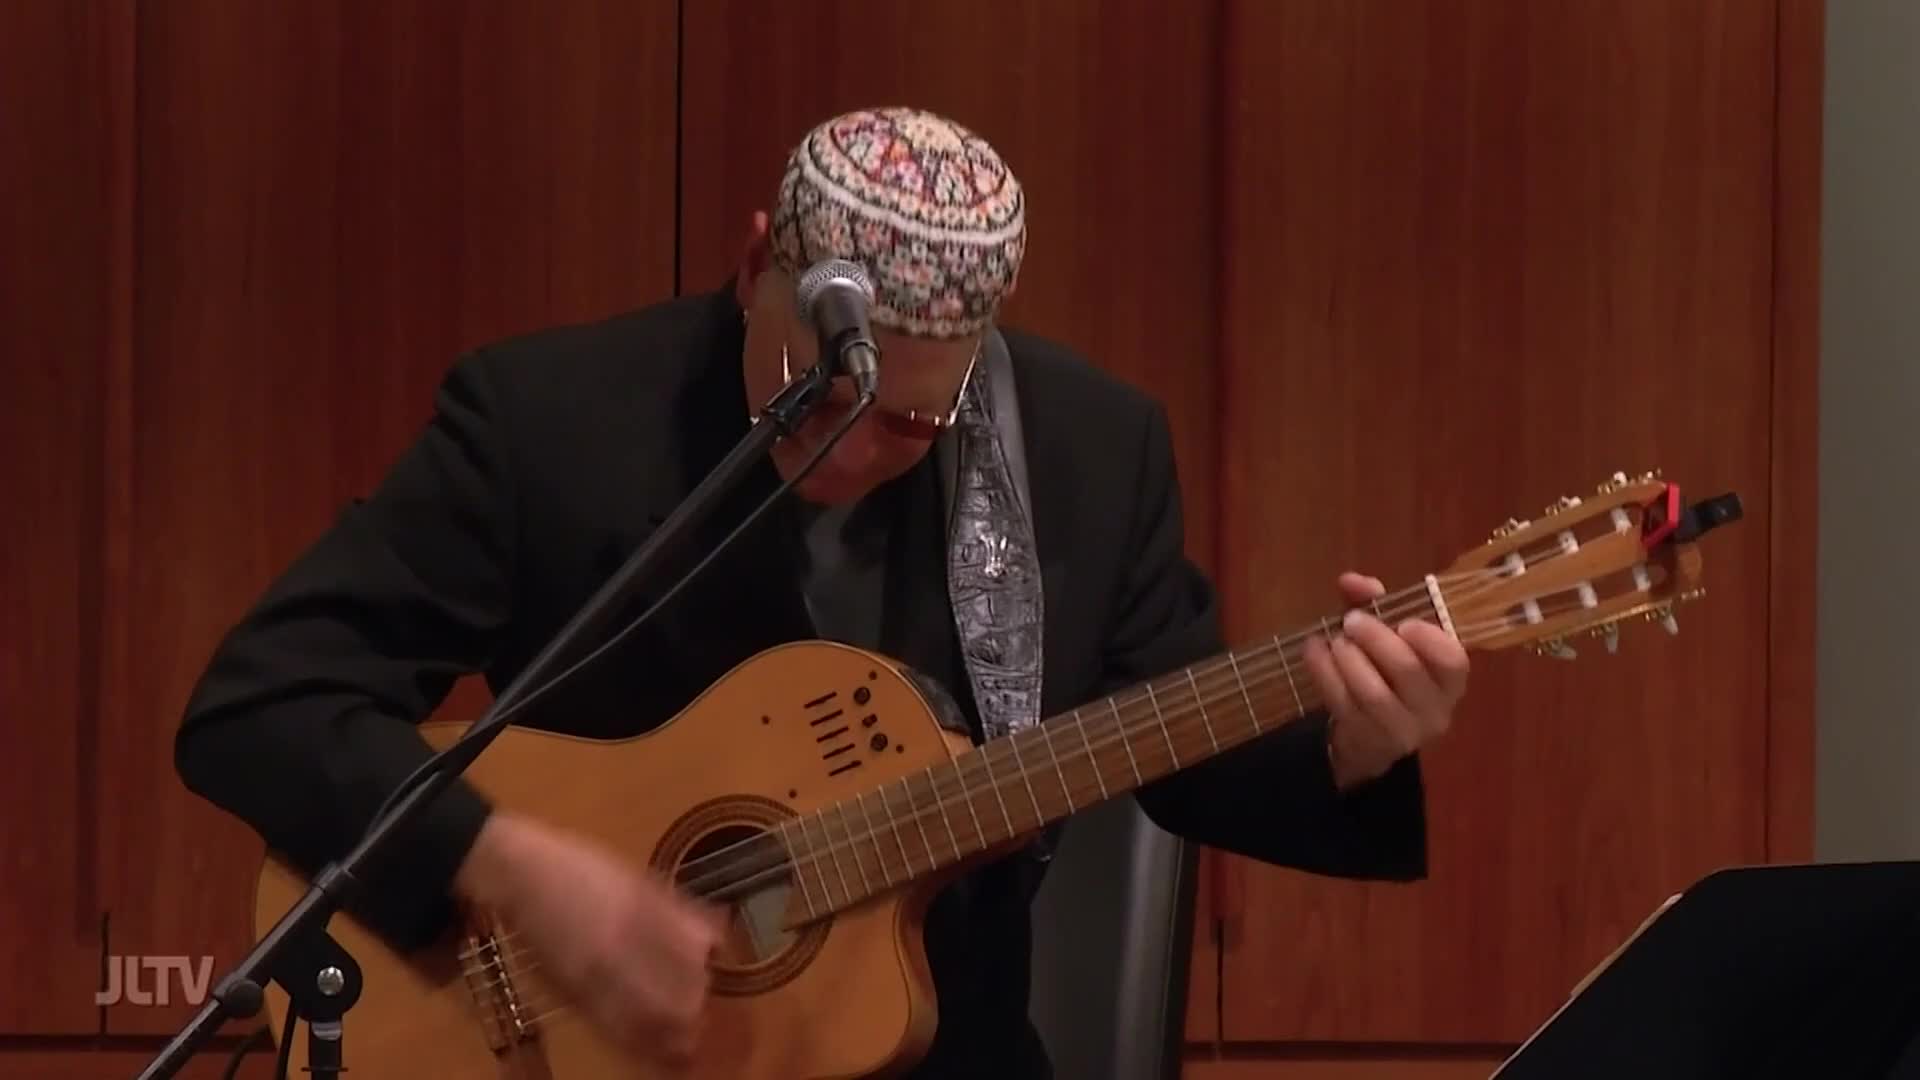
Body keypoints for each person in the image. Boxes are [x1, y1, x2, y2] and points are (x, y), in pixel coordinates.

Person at [174, 106, 1469, 1078]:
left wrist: (1355, 747)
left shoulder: (1081, 451)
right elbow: (262, 702)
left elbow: (1176, 739)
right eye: (815, 395)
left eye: (907, 424)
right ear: (755, 266)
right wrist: (509, 869)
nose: (847, 453)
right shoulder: (550, 423)